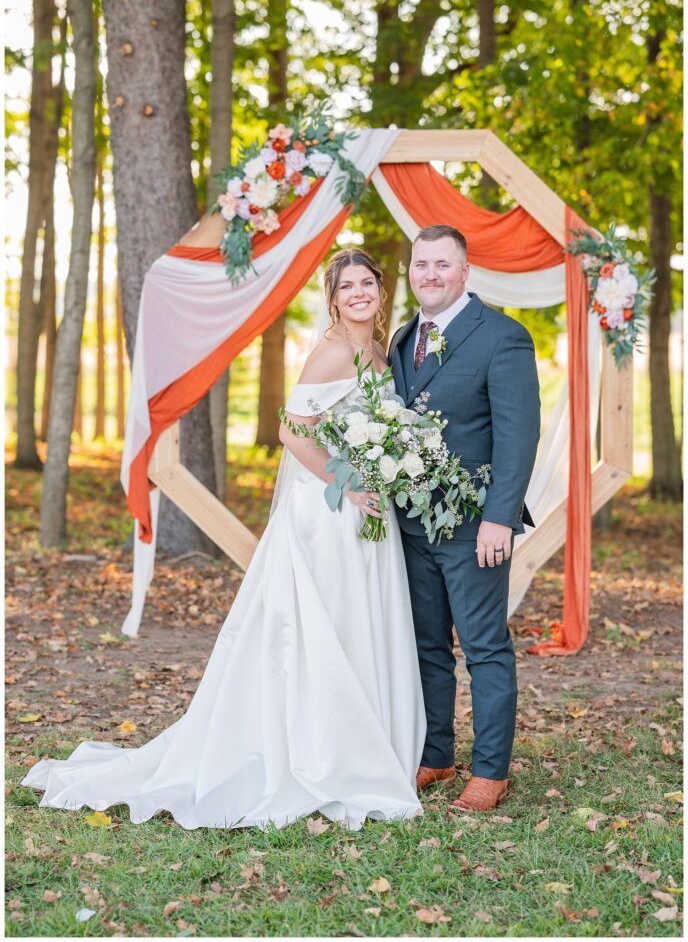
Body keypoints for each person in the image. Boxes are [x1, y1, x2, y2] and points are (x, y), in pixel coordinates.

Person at [22, 248, 426, 831]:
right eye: (348, 285)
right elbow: (293, 432)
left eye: (368, 283)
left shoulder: (377, 349)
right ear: (332, 296)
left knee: (360, 623)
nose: (360, 293)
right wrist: (348, 479)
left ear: (380, 291)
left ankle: (370, 742)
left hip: (368, 504)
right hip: (331, 509)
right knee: (326, 629)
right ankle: (327, 751)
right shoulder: (334, 350)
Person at [389, 224, 540, 811]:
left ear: (465, 272)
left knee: (484, 647)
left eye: (442, 265)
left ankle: (491, 771)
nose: (430, 274)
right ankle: (436, 754)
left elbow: (518, 435)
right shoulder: (405, 338)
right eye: (421, 264)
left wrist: (500, 519)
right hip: (412, 524)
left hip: (476, 524)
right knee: (427, 645)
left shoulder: (503, 336)